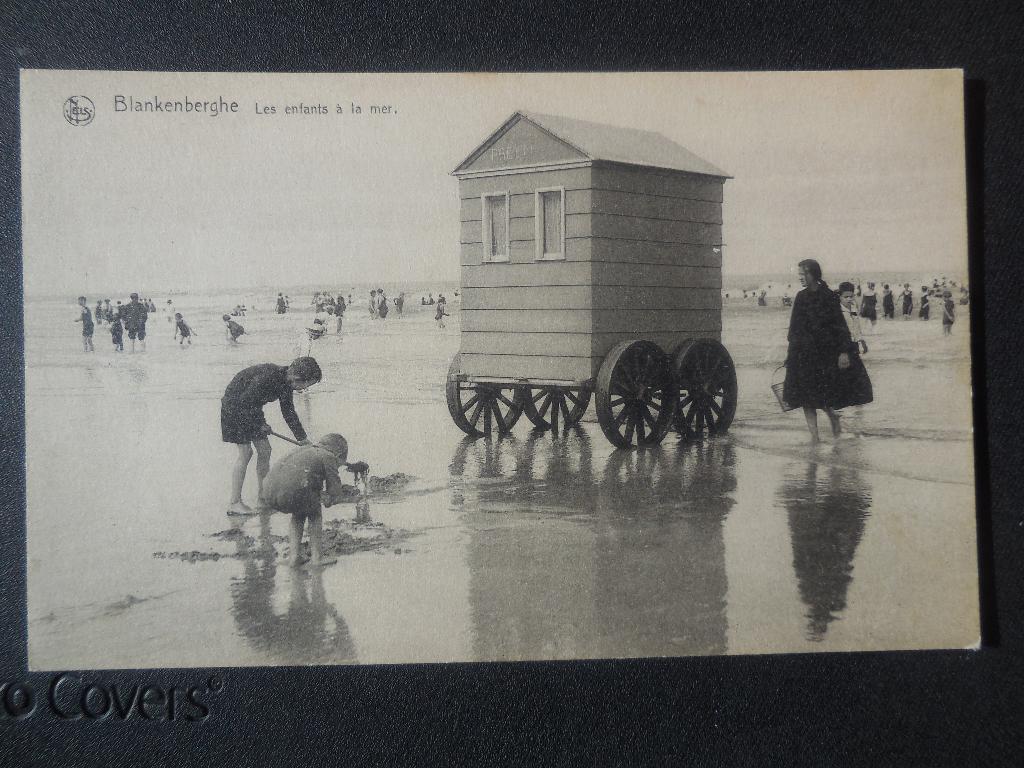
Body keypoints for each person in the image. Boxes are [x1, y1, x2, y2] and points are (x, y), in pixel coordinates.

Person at [220, 357, 322, 516]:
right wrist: (259, 424)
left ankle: (263, 498)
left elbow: (288, 413)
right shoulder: (269, 378)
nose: (304, 389)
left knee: (265, 450)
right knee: (246, 453)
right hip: (234, 407)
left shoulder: (286, 382)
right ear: (297, 378)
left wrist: (303, 440)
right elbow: (244, 401)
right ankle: (234, 503)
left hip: (251, 409)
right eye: (306, 385)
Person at [783, 260, 871, 443]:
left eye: (803, 274)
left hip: (824, 355)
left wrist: (844, 352)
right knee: (806, 398)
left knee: (822, 396)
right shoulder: (800, 297)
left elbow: (840, 327)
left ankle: (832, 416)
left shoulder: (829, 296)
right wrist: (791, 354)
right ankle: (815, 438)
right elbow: (794, 329)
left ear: (813, 274)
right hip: (803, 354)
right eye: (799, 274)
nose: (800, 277)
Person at [264, 433, 365, 568]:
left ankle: (294, 557)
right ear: (339, 454)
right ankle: (317, 558)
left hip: (269, 492)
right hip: (293, 492)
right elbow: (335, 492)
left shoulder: (304, 449)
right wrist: (339, 499)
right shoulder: (328, 456)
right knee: (315, 513)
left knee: (298, 514)